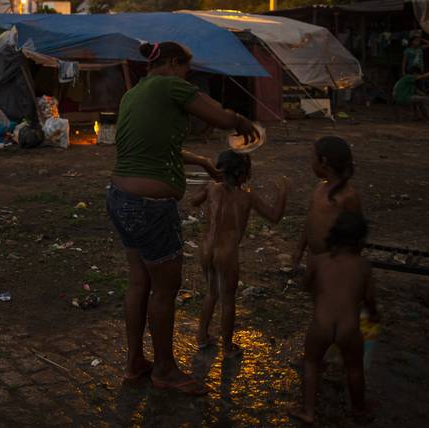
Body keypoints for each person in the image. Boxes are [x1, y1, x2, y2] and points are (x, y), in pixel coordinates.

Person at [107, 40, 260, 395]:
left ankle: (134, 363)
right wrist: (241, 121)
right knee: (164, 288)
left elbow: (157, 146)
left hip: (119, 198)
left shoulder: (134, 94)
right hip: (149, 206)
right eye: (187, 69)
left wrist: (203, 162)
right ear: (174, 64)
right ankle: (163, 369)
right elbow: (220, 117)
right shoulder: (171, 83)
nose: (188, 76)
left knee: (138, 283)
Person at [189, 150, 289, 358]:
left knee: (211, 292)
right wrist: (283, 192)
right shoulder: (247, 196)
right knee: (227, 299)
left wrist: (206, 184)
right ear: (242, 174)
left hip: (206, 249)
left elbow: (193, 201)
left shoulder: (211, 188)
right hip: (227, 253)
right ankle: (226, 348)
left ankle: (202, 337)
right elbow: (275, 216)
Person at [290, 211, 379, 425]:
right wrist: (373, 314)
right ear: (360, 241)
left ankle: (309, 412)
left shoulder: (319, 261)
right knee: (354, 368)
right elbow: (369, 298)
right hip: (349, 327)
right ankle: (358, 409)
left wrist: (318, 294)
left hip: (321, 323)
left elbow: (306, 285)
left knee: (311, 363)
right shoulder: (363, 266)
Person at [293, 136, 360, 266]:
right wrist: (300, 248)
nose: (311, 162)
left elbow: (357, 236)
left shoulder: (348, 196)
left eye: (312, 158)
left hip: (335, 264)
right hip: (314, 259)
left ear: (323, 161)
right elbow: (310, 221)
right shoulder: (319, 188)